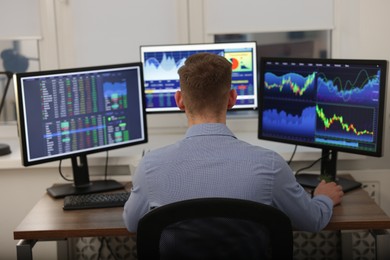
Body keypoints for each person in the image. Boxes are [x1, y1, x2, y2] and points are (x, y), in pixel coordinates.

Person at [123, 52, 344, 233]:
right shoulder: (270, 165)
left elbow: (132, 225)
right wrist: (323, 198)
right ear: (232, 98)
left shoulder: (150, 167)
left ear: (179, 100)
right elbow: (313, 221)